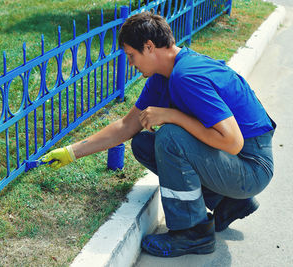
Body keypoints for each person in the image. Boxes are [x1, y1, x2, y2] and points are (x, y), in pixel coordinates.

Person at [42, 12, 276, 257]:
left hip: (251, 166)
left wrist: (172, 116)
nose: (131, 64)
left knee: (170, 138)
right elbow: (126, 126)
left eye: (132, 56)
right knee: (144, 143)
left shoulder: (187, 76)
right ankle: (227, 202)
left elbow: (232, 141)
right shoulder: (164, 76)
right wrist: (71, 152)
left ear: (150, 46)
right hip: (238, 163)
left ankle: (192, 233)